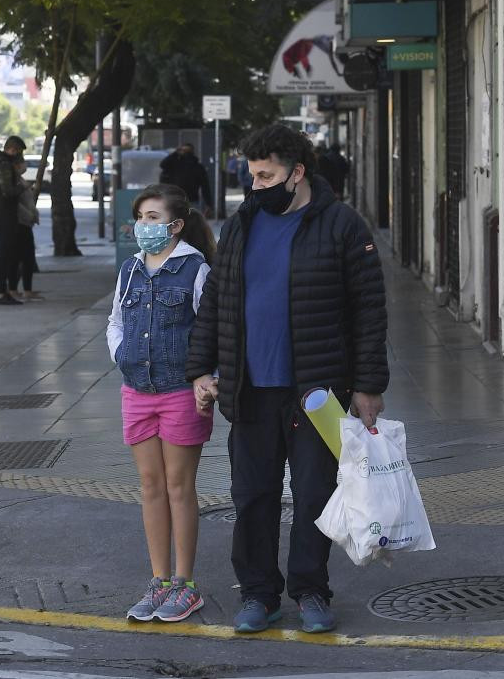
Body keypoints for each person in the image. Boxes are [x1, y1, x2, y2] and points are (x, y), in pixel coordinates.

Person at [185, 124, 388, 635]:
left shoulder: (342, 225)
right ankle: (258, 593)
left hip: (317, 393)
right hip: (250, 390)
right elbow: (216, 301)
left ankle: (311, 590)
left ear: (297, 173)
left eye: (266, 175)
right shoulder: (242, 225)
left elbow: (369, 311)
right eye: (252, 176)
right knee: (251, 496)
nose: (256, 186)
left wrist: (367, 385)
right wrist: (200, 369)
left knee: (316, 495)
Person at [107, 184, 217, 624]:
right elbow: (115, 321)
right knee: (150, 487)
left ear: (175, 224)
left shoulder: (195, 268)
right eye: (140, 217)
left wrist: (208, 379)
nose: (143, 226)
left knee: (178, 487)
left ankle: (185, 585)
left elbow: (211, 330)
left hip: (179, 393)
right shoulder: (130, 270)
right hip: (137, 391)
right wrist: (121, 355)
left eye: (153, 218)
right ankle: (159, 580)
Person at [0, 136, 26, 305]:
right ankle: (0, 292)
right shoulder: (3, 164)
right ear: (13, 149)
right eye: (19, 152)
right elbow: (8, 191)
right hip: (4, 214)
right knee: (3, 254)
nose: (19, 156)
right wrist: (23, 186)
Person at [10, 159, 42, 301]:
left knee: (29, 257)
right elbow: (16, 204)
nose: (25, 166)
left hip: (27, 224)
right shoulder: (14, 182)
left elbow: (29, 201)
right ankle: (13, 288)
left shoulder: (21, 180)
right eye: (21, 163)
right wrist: (29, 215)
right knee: (18, 258)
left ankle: (27, 289)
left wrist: (34, 214)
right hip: (20, 224)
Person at [160, 144, 213, 212]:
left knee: (189, 219)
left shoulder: (197, 167)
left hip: (189, 200)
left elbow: (205, 186)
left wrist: (208, 204)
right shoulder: (176, 164)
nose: (185, 153)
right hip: (178, 199)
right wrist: (175, 153)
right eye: (184, 150)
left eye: (187, 151)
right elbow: (163, 164)